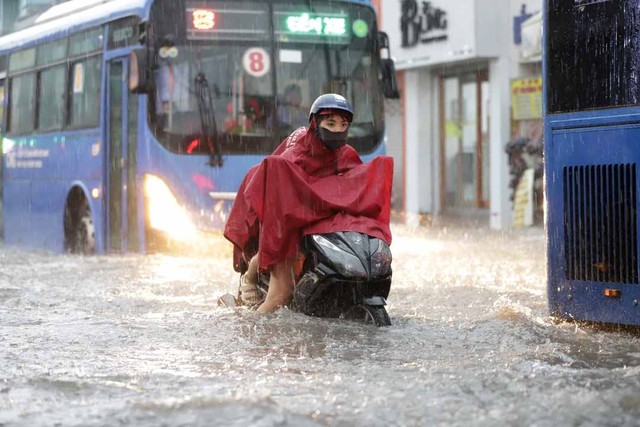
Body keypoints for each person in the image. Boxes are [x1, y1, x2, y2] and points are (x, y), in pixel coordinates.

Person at [223, 93, 393, 313]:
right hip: (287, 223)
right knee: (280, 296)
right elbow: (279, 202)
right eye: (330, 124)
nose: (337, 130)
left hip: (319, 226)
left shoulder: (346, 154)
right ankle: (250, 327)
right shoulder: (294, 157)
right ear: (315, 124)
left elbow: (355, 189)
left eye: (343, 125)